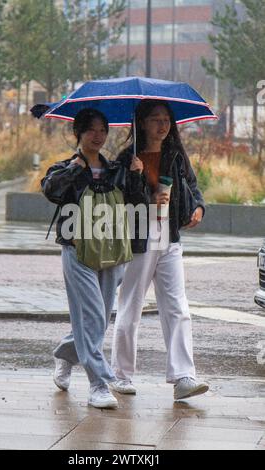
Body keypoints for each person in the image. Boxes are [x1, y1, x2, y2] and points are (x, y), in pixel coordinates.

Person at [41, 108, 146, 409]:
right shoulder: (65, 167)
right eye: (91, 130)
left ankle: (65, 354)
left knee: (98, 318)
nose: (98, 136)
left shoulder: (116, 170)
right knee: (92, 315)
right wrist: (75, 168)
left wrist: (136, 176)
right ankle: (99, 383)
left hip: (111, 250)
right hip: (77, 251)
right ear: (79, 133)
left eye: (103, 130)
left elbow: (136, 202)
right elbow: (50, 190)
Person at [110, 99, 209, 401]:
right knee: (131, 306)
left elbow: (192, 187)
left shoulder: (175, 155)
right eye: (155, 119)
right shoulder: (127, 158)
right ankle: (121, 375)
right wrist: (137, 179)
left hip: (170, 236)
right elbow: (118, 200)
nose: (163, 125)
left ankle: (183, 376)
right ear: (141, 122)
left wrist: (199, 209)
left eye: (166, 119)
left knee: (177, 306)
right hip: (139, 237)